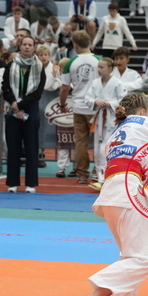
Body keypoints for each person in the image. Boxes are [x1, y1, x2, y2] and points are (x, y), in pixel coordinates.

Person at [78, 93, 148, 296]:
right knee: (143, 258)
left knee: (129, 251)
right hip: (129, 192)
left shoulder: (115, 134)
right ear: (142, 111)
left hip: (111, 193)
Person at [2, 36, 46, 193]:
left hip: (30, 110)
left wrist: (21, 106)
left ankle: (31, 184)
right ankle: (12, 183)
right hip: (12, 110)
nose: (27, 47)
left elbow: (38, 92)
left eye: (30, 45)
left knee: (31, 148)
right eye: (24, 44)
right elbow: (5, 86)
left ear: (34, 48)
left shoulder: (39, 66)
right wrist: (14, 103)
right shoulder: (11, 65)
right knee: (13, 147)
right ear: (19, 46)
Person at [59, 31, 101, 184]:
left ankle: (82, 174)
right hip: (96, 107)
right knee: (99, 141)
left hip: (79, 107)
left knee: (81, 142)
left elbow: (64, 88)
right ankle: (97, 171)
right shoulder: (99, 60)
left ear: (75, 45)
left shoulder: (70, 63)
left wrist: (62, 104)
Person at [84, 57, 128, 190]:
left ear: (110, 69)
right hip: (99, 118)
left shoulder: (118, 83)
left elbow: (123, 100)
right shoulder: (95, 83)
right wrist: (95, 101)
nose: (99, 69)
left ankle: (107, 177)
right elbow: (88, 98)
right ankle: (100, 176)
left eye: (102, 67)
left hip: (112, 119)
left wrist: (110, 103)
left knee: (108, 147)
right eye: (98, 67)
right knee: (98, 147)